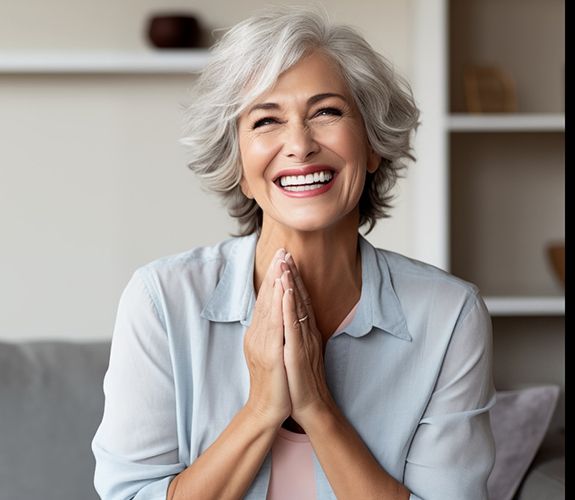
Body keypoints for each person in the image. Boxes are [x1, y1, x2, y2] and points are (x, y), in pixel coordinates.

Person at [92, 6, 496, 500]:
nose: (299, 145)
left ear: (371, 146)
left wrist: (318, 409)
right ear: (238, 164)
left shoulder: (450, 315)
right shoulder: (161, 299)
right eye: (266, 120)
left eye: (327, 112)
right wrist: (262, 408)